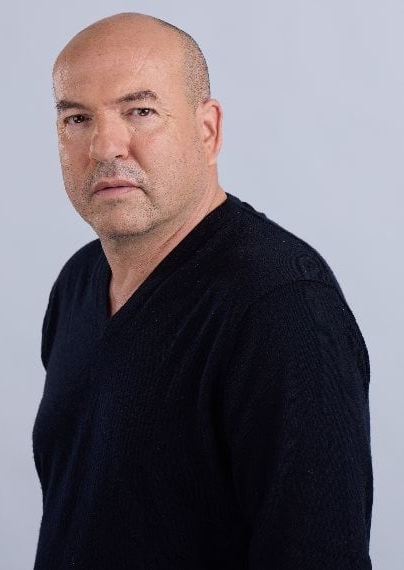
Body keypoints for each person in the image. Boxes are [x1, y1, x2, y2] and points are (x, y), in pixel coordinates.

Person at [32, 12, 373, 569]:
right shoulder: (79, 282)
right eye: (77, 118)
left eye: (140, 111)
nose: (105, 145)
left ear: (208, 130)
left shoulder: (282, 308)